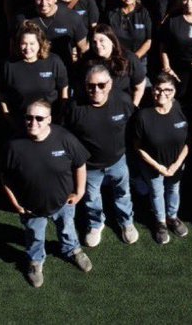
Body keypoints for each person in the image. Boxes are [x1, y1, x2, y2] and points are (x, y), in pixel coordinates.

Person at [1, 98, 92, 287]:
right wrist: (15, 204)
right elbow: (5, 178)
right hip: (31, 208)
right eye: (29, 117)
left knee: (67, 228)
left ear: (49, 119)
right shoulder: (13, 146)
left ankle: (72, 250)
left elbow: (80, 163)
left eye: (39, 118)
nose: (33, 122)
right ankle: (35, 261)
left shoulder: (64, 138)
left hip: (64, 203)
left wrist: (80, 191)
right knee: (34, 235)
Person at [63, 64, 139, 247]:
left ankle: (126, 222)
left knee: (123, 193)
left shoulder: (123, 101)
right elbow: (67, 137)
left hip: (118, 161)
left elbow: (133, 126)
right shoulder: (75, 107)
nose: (96, 90)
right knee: (92, 198)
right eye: (91, 86)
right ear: (85, 85)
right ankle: (96, 224)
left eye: (101, 85)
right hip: (89, 167)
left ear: (110, 84)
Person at [132, 73, 192, 244]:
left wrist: (177, 164)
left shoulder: (180, 109)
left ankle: (172, 217)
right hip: (153, 166)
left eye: (168, 90)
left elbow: (188, 142)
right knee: (157, 192)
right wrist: (158, 167)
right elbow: (138, 147)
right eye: (158, 89)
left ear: (174, 91)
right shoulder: (143, 116)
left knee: (173, 190)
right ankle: (160, 222)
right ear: (152, 91)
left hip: (176, 164)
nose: (162, 93)